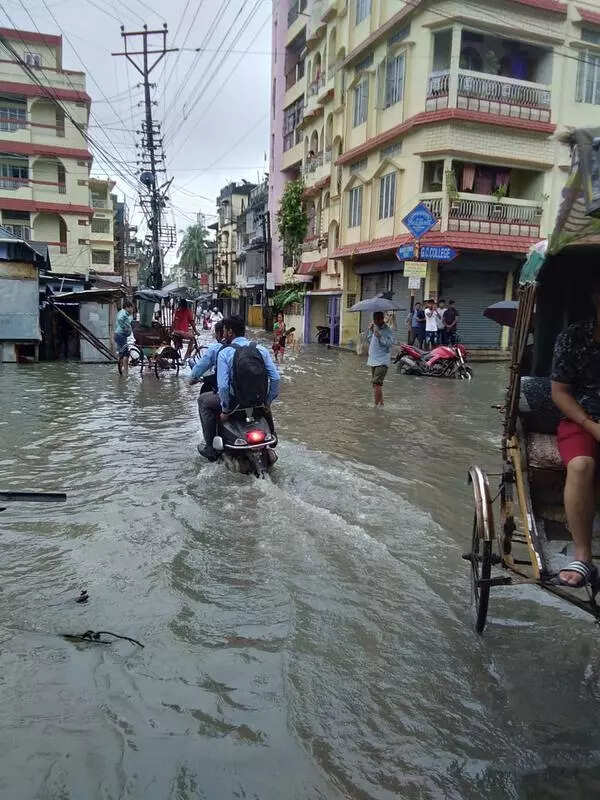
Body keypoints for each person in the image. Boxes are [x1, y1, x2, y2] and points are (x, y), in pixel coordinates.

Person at [551, 275, 600, 587]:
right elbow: (560, 392)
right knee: (581, 465)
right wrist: (592, 426)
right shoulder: (574, 337)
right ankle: (583, 555)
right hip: (583, 418)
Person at [197, 315, 280, 461]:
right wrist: (267, 402)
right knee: (266, 407)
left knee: (203, 401)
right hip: (258, 405)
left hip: (235, 407)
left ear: (230, 332)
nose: (222, 334)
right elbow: (275, 378)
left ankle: (210, 448)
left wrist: (225, 410)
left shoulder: (225, 353)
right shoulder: (261, 350)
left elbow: (223, 387)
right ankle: (273, 436)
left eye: (223, 331)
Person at [367, 311, 395, 407]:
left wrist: (380, 336)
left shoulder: (387, 330)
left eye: (377, 320)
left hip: (382, 361)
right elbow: (370, 341)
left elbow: (390, 344)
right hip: (373, 360)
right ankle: (381, 404)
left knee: (377, 383)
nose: (375, 322)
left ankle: (375, 406)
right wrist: (371, 332)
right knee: (376, 385)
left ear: (381, 319)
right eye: (374, 320)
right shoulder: (375, 328)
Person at [189, 320, 225, 391]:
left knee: (203, 397)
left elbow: (197, 371)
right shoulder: (248, 346)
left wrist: (193, 378)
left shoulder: (215, 349)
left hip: (226, 391)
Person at [114, 299, 134, 375]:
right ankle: (126, 371)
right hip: (121, 335)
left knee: (121, 353)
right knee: (126, 354)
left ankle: (120, 370)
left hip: (118, 334)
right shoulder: (124, 313)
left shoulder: (122, 312)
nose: (132, 309)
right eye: (131, 308)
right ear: (127, 307)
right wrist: (124, 327)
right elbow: (120, 319)